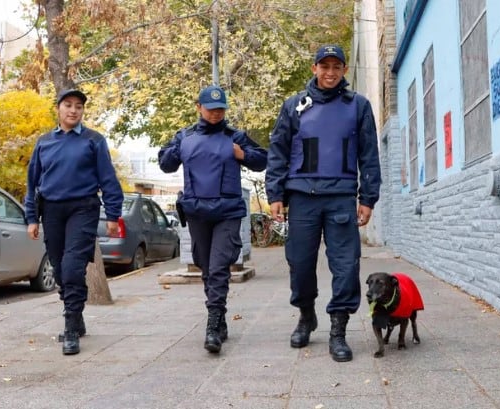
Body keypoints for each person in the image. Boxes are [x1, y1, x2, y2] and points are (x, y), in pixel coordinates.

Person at [265, 45, 381, 362]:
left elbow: (369, 155)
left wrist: (368, 198)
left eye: (337, 66)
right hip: (302, 199)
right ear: (314, 68)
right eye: (324, 66)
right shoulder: (294, 106)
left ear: (344, 70)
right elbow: (278, 152)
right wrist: (275, 194)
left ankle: (338, 331)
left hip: (342, 198)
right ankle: (306, 316)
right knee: (300, 264)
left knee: (345, 266)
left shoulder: (357, 106)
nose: (330, 72)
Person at [158, 85, 267, 354]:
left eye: (221, 109)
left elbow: (263, 159)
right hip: (197, 212)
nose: (216, 113)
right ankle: (221, 319)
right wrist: (175, 150)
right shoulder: (185, 136)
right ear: (199, 107)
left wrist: (243, 154)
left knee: (219, 267)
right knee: (206, 267)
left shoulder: (235, 137)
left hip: (227, 211)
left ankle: (213, 323)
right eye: (211, 108)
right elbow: (166, 164)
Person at [25, 89, 124, 355]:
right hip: (52, 211)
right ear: (58, 109)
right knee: (58, 269)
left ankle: (70, 327)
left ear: (82, 111)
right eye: (68, 105)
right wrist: (32, 217)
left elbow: (108, 180)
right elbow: (32, 183)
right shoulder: (44, 142)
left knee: (72, 267)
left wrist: (114, 215)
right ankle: (76, 316)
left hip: (84, 208)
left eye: (78, 106)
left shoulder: (94, 140)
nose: (73, 110)